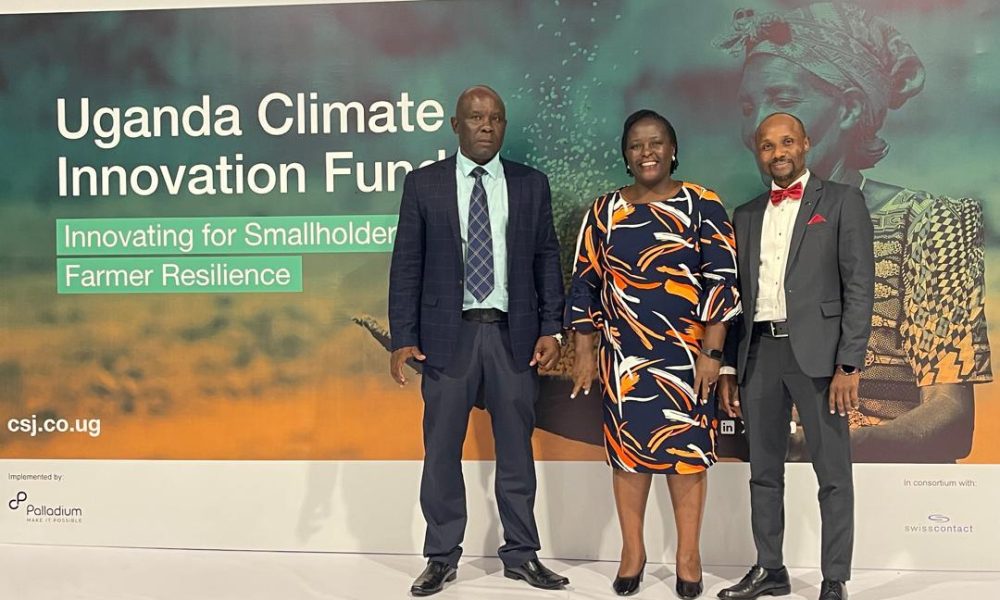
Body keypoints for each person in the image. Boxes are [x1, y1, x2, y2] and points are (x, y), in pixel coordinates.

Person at [715, 1, 991, 463]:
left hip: (891, 490)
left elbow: (950, 416)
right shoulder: (738, 226)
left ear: (850, 108)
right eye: (747, 106)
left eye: (783, 100)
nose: (758, 125)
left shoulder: (929, 223)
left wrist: (827, 446)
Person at [388, 85, 568, 596]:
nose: (486, 125)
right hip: (448, 338)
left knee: (517, 453)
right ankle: (441, 557)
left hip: (515, 336)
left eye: (495, 118)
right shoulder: (424, 184)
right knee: (441, 452)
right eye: (475, 117)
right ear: (456, 125)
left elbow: (546, 259)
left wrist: (551, 328)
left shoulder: (531, 184)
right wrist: (403, 336)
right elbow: (407, 263)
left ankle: (522, 554)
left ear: (504, 125)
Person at [567, 109, 741, 599]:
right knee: (627, 457)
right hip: (623, 356)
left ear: (673, 149)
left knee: (686, 455)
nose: (647, 152)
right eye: (636, 145)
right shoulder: (604, 211)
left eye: (656, 142)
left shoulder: (702, 204)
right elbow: (585, 283)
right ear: (626, 156)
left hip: (688, 358)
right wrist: (585, 350)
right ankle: (632, 553)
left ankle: (688, 557)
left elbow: (722, 282)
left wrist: (713, 353)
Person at [717, 112, 874, 600]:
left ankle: (834, 579)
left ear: (805, 143)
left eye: (786, 142)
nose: (777, 153)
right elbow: (736, 298)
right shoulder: (745, 215)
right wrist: (729, 365)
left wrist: (849, 364)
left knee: (833, 474)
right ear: (758, 153)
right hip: (759, 355)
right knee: (763, 472)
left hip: (820, 359)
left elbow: (859, 287)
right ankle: (770, 570)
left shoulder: (843, 201)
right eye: (767, 146)